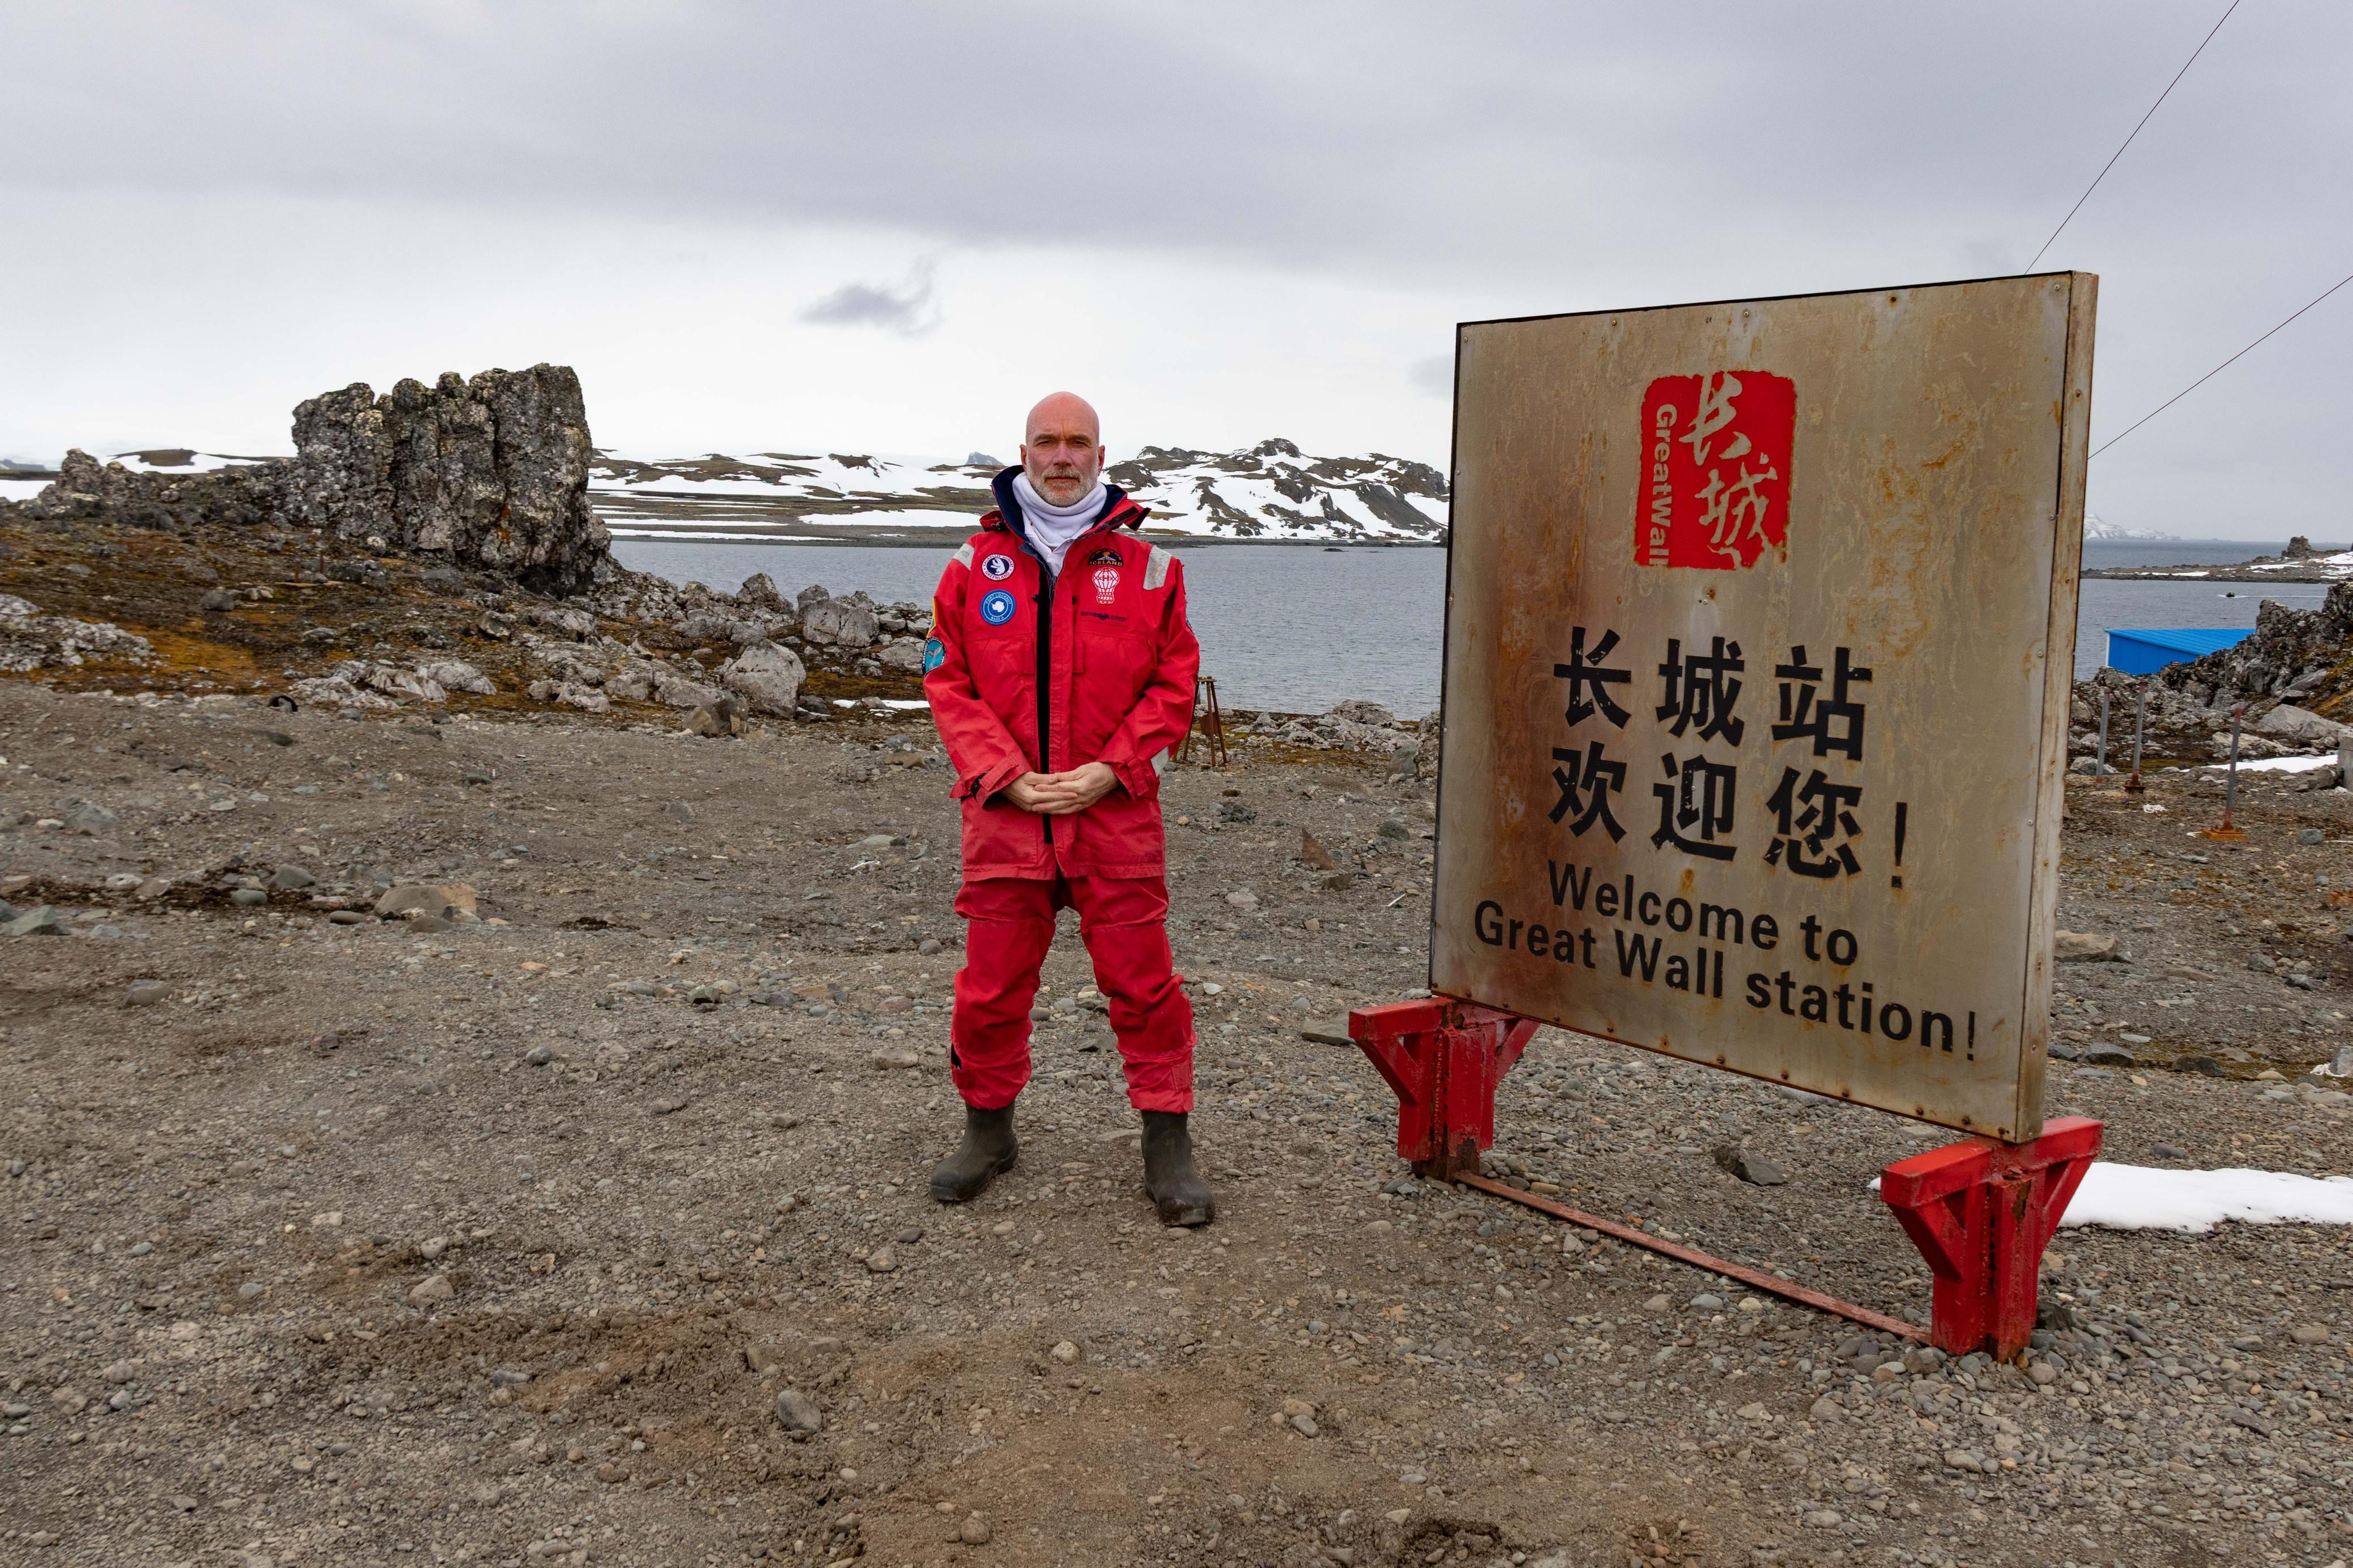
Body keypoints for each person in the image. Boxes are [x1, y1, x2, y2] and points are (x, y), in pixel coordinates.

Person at [920, 391, 1214, 1225]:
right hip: (1006, 816)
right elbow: (948, 682)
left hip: (1113, 814)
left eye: (1076, 442)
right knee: (989, 988)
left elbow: (1174, 684)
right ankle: (988, 1131)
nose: (1060, 455)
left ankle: (1167, 1143)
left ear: (1099, 453)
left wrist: (1108, 770)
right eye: (1046, 441)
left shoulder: (1154, 569)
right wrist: (1003, 774)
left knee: (1146, 987)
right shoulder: (972, 567)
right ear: (1023, 450)